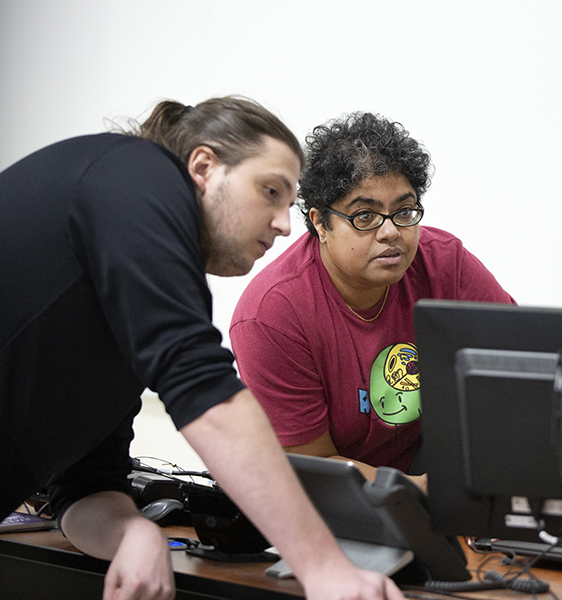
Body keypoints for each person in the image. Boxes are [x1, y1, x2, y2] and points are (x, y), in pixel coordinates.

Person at [0, 96, 405, 600]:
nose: (284, 223)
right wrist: (324, 568)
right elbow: (205, 392)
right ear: (203, 167)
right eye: (270, 191)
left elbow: (82, 488)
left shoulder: (123, 305)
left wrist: (134, 531)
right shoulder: (133, 176)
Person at [230, 112, 515, 485]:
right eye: (365, 215)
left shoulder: (444, 261)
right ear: (320, 223)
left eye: (404, 211)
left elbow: (519, 366)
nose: (391, 232)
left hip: (428, 458)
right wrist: (425, 491)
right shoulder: (273, 315)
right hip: (332, 498)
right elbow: (316, 470)